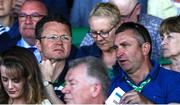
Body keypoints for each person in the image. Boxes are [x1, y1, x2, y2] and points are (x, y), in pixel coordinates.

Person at [109, 22, 180, 104]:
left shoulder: (174, 80)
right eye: (116, 48)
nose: (118, 54)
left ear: (145, 48)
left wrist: (146, 103)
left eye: (125, 45)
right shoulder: (115, 83)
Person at [81, 0, 162, 61]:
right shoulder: (100, 30)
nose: (118, 22)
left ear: (137, 9)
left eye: (122, 17)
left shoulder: (157, 27)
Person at [36, 14, 78, 104]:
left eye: (65, 38)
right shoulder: (27, 75)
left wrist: (47, 84)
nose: (59, 42)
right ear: (38, 44)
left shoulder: (79, 78)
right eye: (52, 37)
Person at [76, 3, 121, 79]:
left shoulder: (130, 56)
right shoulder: (84, 54)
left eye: (104, 32)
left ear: (118, 27)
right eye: (94, 32)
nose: (99, 39)